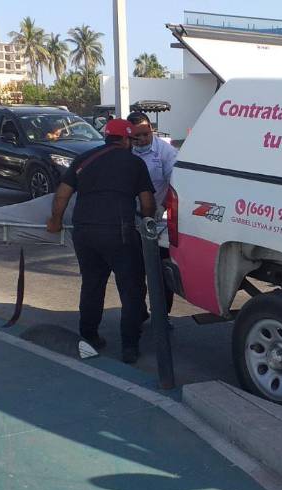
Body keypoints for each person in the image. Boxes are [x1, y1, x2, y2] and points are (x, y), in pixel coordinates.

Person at [47, 119, 156, 364]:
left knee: (93, 284)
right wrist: (149, 224)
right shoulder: (135, 163)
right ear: (126, 140)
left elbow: (62, 194)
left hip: (85, 233)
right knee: (131, 289)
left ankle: (89, 336)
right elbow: (147, 203)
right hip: (120, 233)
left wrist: (55, 221)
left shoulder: (83, 159)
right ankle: (129, 346)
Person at [127, 111, 178, 317]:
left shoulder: (166, 152)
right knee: (134, 272)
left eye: (145, 134)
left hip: (158, 220)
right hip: (131, 219)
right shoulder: (125, 150)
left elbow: (176, 184)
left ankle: (162, 316)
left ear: (151, 130)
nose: (141, 140)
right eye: (135, 136)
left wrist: (162, 207)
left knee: (161, 274)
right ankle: (138, 314)